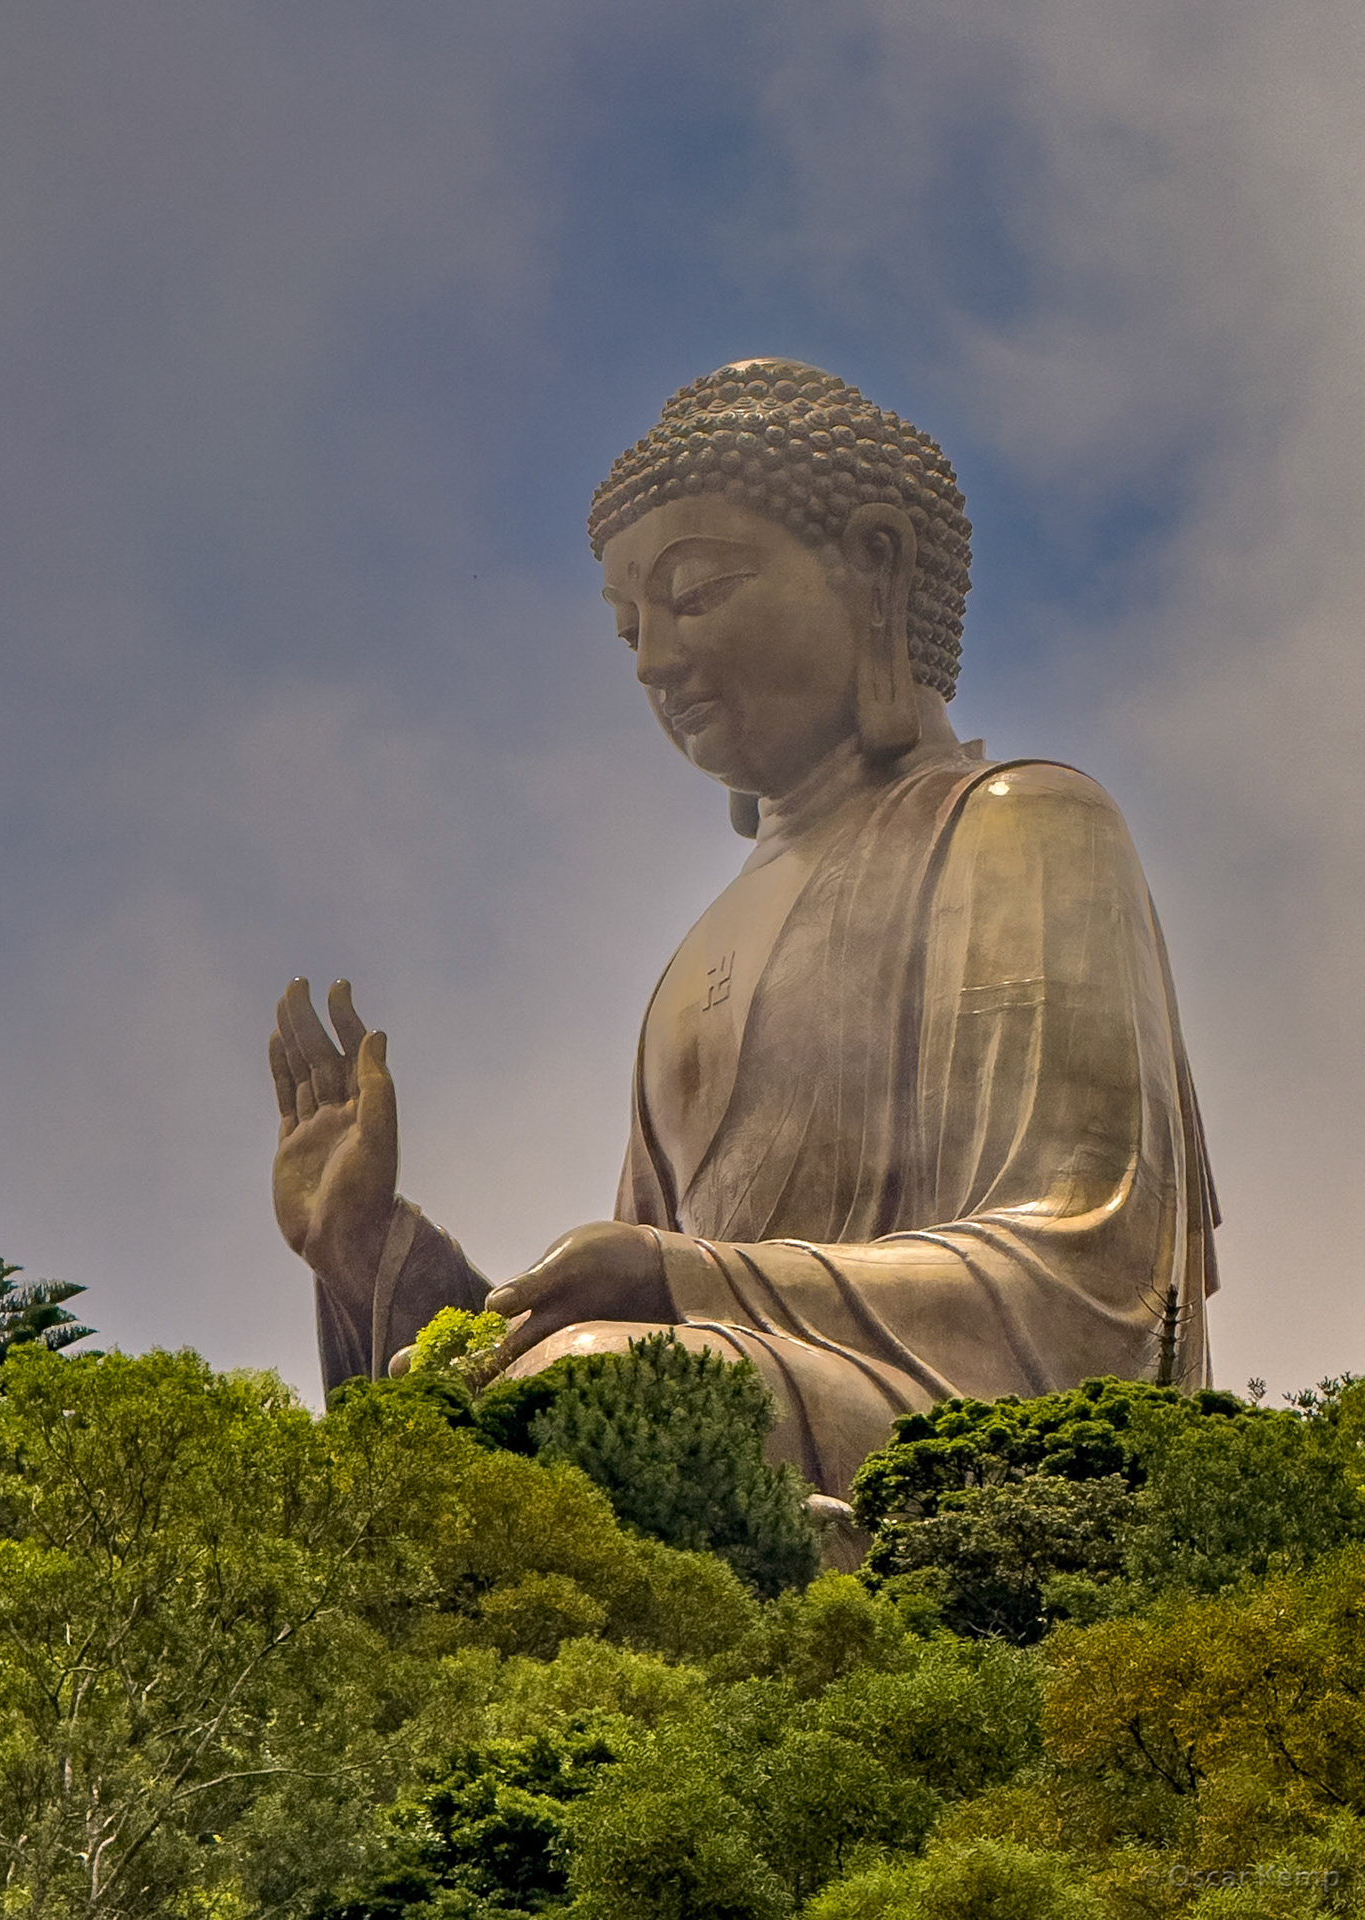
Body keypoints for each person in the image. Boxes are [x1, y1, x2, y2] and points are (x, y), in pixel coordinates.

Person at [268, 358, 1217, 1499]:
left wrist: (682, 1279)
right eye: (631, 632)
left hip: (962, 1434)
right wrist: (369, 1249)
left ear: (875, 565)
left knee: (598, 1392)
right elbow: (622, 1307)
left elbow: (1086, 1281)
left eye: (699, 594)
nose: (660, 663)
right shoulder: (695, 960)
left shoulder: (1023, 829)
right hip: (741, 1381)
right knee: (472, 1408)